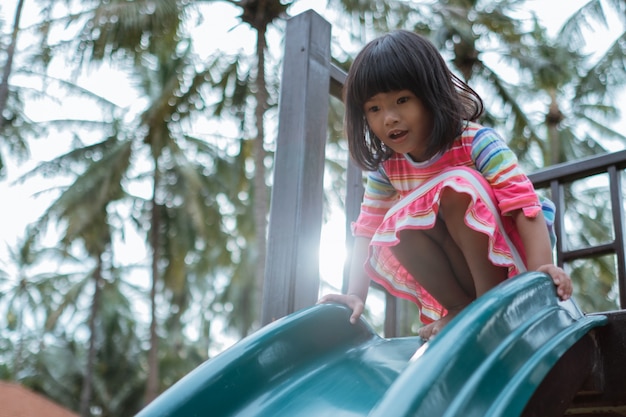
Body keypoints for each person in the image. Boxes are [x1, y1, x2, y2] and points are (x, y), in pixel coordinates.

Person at [317, 30, 573, 341]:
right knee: (395, 223)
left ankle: (490, 301)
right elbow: (367, 230)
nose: (389, 118)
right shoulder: (388, 169)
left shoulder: (476, 143)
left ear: (430, 96)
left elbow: (524, 205)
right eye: (374, 109)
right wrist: (354, 294)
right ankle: (460, 307)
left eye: (402, 100)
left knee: (456, 188)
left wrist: (539, 276)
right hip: (463, 276)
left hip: (510, 271)